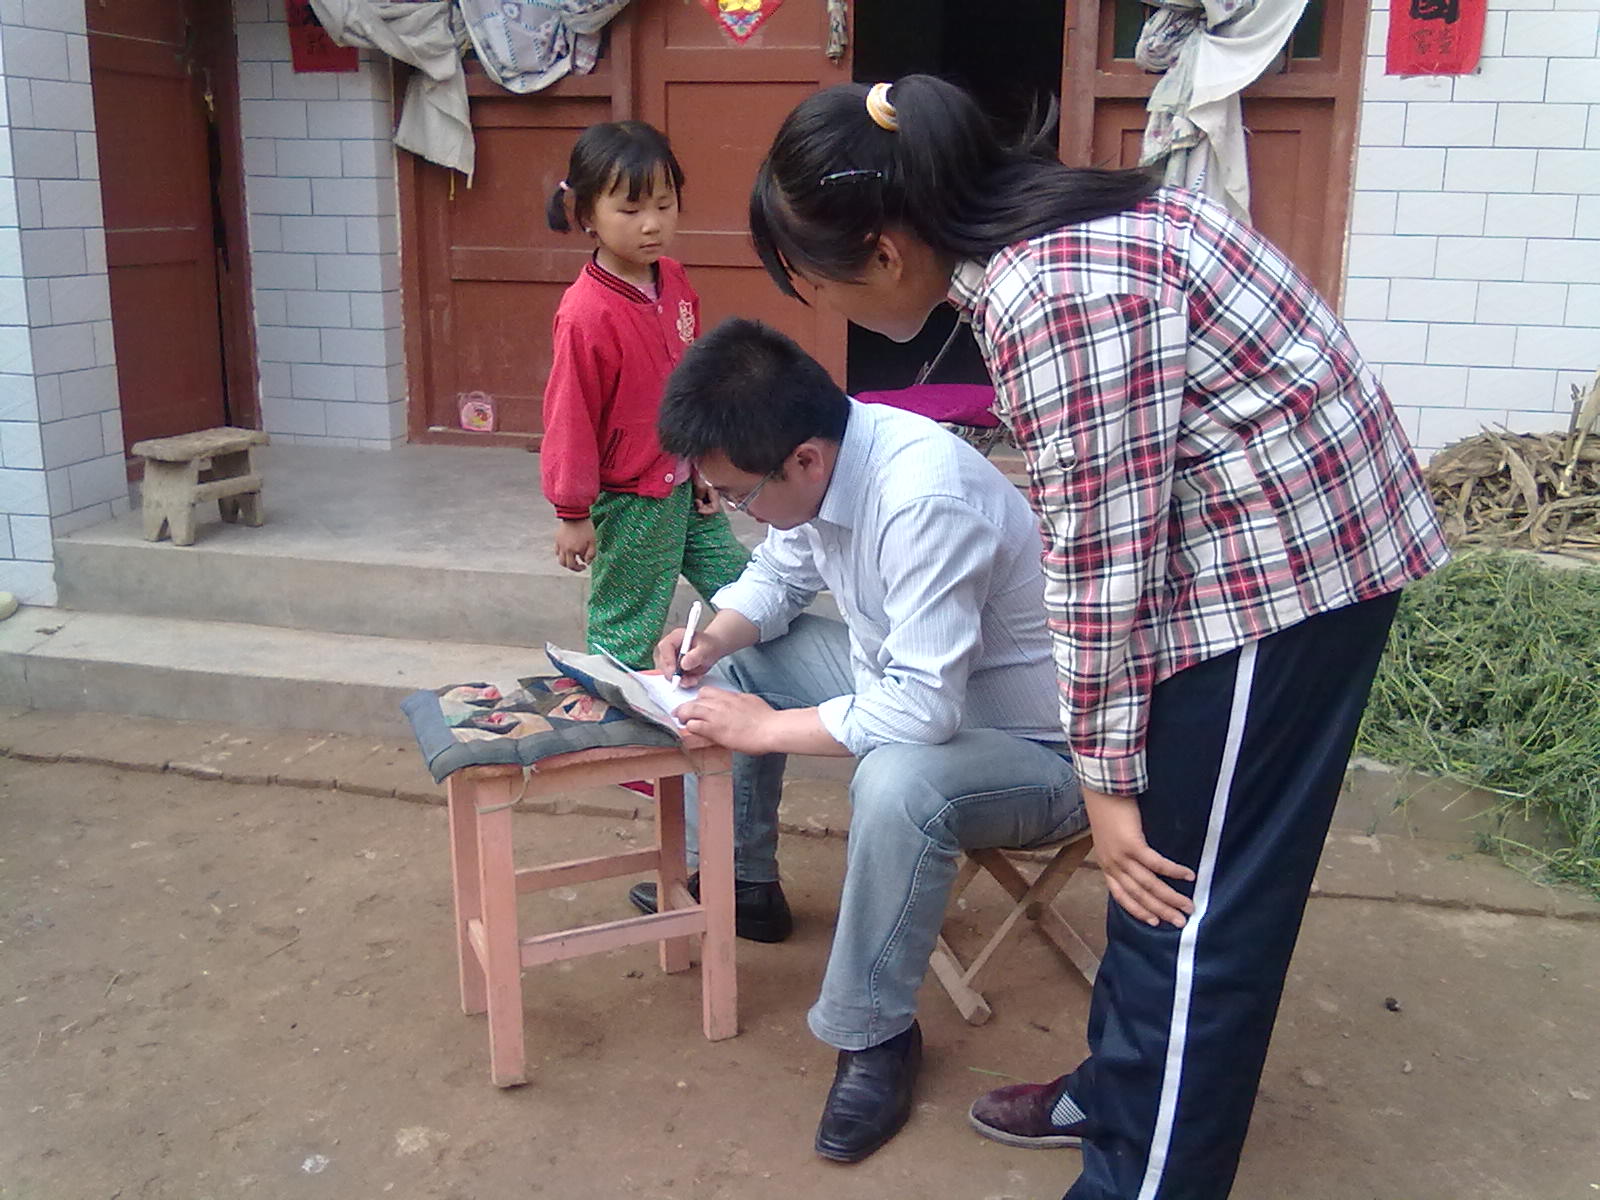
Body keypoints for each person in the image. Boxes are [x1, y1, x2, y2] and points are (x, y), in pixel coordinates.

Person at [747, 76, 1449, 1199]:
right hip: (1219, 562)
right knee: (1155, 880)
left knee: (1186, 903)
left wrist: (1106, 782)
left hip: (1283, 583)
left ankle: (1139, 1173)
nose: (816, 302)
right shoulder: (1050, 233)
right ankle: (1122, 1093)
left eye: (810, 278)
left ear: (882, 251)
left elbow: (1101, 559)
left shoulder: (1053, 288)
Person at [627, 316, 1087, 1164]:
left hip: (1036, 752)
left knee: (897, 783)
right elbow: (779, 574)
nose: (736, 509)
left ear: (804, 460)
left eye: (737, 495)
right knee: (738, 666)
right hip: (915, 688)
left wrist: (764, 730)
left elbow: (921, 712)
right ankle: (741, 883)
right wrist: (713, 639)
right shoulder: (827, 453)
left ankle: (875, 1035)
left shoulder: (922, 499)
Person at [541, 120, 749, 669]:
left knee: (747, 591)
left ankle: (767, 694)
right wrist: (572, 511)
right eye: (630, 210)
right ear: (586, 214)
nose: (652, 224)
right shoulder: (586, 314)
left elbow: (692, 381)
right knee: (626, 629)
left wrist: (703, 465)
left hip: (687, 486)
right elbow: (569, 417)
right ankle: (613, 716)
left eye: (664, 204)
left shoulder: (674, 280)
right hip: (632, 497)